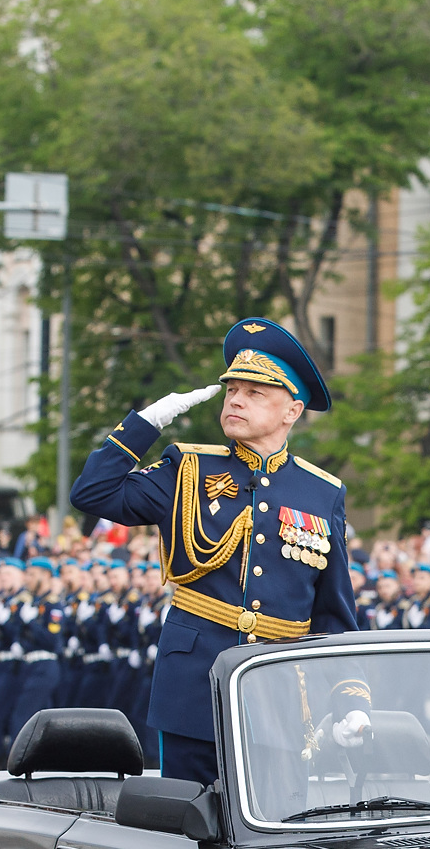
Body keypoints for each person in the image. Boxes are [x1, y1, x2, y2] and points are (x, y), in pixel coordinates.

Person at [68, 317, 366, 786]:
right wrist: (147, 423)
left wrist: (350, 702)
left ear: (292, 410)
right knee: (186, 830)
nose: (236, 400)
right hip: (194, 687)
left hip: (279, 694)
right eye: (232, 390)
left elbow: (334, 613)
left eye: (255, 393)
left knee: (270, 834)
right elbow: (93, 493)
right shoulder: (186, 467)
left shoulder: (320, 492)